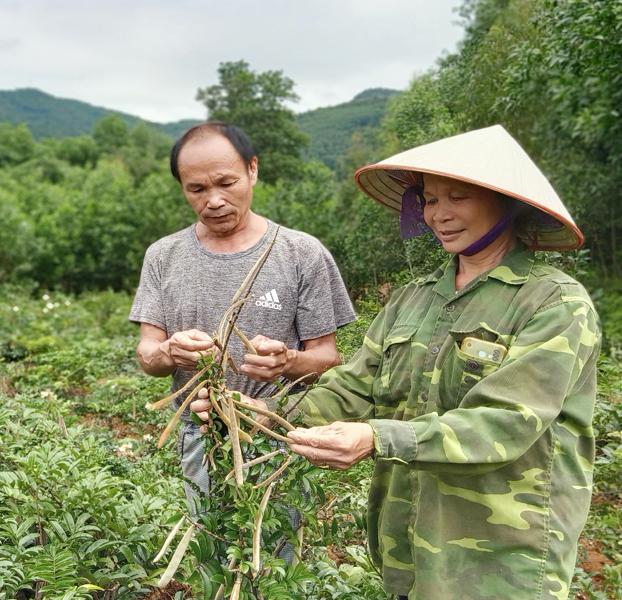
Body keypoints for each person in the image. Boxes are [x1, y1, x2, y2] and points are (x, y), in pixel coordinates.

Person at [192, 125, 600, 600]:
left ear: (505, 202)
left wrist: (376, 437)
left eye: (458, 198)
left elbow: (507, 421)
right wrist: (261, 416)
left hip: (503, 552)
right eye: (429, 200)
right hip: (406, 538)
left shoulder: (553, 303)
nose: (439, 214)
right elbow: (354, 388)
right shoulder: (413, 300)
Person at [129, 122, 356, 509]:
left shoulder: (301, 253)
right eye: (196, 189)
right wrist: (169, 351)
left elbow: (328, 360)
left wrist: (288, 361)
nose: (213, 201)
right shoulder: (163, 256)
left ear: (252, 170)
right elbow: (148, 355)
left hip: (279, 431)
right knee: (209, 548)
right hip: (200, 433)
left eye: (226, 183)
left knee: (278, 558)